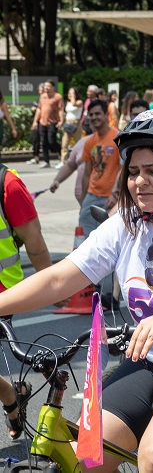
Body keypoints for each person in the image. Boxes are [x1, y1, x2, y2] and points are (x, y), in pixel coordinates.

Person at [1, 109, 153, 471]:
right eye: (133, 172)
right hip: (148, 363)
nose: (139, 182)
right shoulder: (127, 224)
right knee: (89, 455)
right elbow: (59, 278)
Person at [0, 162, 61, 438]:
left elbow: (34, 242)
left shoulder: (8, 184)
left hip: (3, 294)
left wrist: (53, 288)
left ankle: (11, 397)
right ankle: (11, 396)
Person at [80, 99, 121, 238]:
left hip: (110, 198)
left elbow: (124, 169)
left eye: (97, 113)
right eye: (91, 114)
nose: (94, 117)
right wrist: (85, 198)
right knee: (86, 234)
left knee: (106, 237)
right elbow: (86, 173)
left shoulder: (118, 137)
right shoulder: (89, 141)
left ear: (106, 115)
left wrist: (115, 194)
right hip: (91, 196)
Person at [31, 80, 63, 168]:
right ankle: (46, 161)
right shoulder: (42, 97)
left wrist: (61, 121)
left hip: (53, 122)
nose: (46, 88)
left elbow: (60, 109)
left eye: (48, 86)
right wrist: (35, 121)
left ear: (53, 87)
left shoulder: (58, 97)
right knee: (43, 142)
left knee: (51, 141)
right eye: (45, 86)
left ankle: (61, 153)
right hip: (42, 122)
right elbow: (39, 109)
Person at [59, 87, 84, 168]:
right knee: (64, 144)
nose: (70, 95)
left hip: (76, 124)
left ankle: (79, 161)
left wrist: (73, 96)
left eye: (72, 93)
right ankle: (63, 161)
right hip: (68, 123)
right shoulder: (68, 102)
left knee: (78, 144)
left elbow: (74, 104)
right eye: (69, 93)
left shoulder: (79, 102)